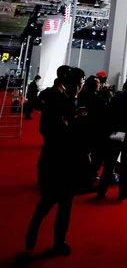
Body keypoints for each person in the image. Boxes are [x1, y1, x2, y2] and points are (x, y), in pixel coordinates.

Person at [25, 67, 86, 256]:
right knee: (61, 202)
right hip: (64, 159)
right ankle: (57, 240)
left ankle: (42, 230)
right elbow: (65, 132)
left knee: (52, 198)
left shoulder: (57, 100)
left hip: (55, 157)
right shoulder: (63, 103)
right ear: (76, 84)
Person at [97, 76, 127, 200]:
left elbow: (109, 113)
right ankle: (124, 190)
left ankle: (102, 189)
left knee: (110, 162)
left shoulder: (118, 96)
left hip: (115, 133)